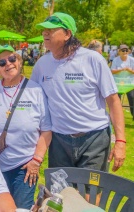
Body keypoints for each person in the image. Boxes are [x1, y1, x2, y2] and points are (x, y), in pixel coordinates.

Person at [32, 12, 126, 175]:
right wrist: (1, 82)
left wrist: (120, 141)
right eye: (44, 30)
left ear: (67, 34)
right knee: (60, 195)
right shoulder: (42, 64)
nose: (45, 33)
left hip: (94, 138)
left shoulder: (92, 59)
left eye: (51, 29)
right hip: (59, 140)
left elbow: (113, 101)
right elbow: (29, 93)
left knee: (90, 195)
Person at [0, 45, 52, 209]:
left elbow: (46, 130)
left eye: (12, 59)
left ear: (19, 60)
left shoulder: (35, 90)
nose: (8, 64)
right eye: (2, 62)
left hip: (24, 167)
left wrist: (36, 160)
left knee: (22, 209)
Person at [111, 44, 134, 120]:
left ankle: (133, 115)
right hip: (118, 83)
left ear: (128, 51)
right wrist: (120, 70)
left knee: (132, 97)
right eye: (123, 50)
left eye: (126, 50)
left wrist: (129, 70)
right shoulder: (115, 60)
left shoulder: (132, 60)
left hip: (129, 84)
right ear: (119, 51)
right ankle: (116, 117)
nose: (125, 52)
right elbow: (112, 71)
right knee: (116, 100)